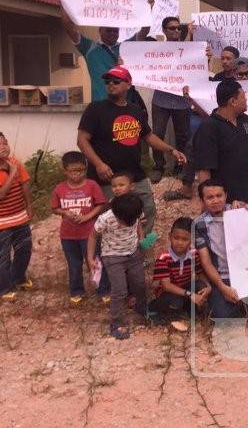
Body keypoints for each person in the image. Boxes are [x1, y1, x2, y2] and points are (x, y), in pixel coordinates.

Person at [77, 66, 187, 234]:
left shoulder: (136, 110)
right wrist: (99, 164)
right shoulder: (96, 109)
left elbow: (149, 137)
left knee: (148, 209)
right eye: (108, 81)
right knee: (107, 218)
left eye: (116, 81)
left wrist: (171, 150)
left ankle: (141, 251)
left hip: (134, 174)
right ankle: (106, 256)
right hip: (106, 177)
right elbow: (82, 140)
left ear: (128, 84)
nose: (111, 84)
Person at [59, 1, 148, 102]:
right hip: (100, 105)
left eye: (115, 31)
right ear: (100, 30)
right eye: (108, 30)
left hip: (124, 105)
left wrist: (149, 6)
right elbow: (69, 28)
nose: (112, 33)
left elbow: (144, 32)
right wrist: (63, 2)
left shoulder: (125, 47)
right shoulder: (88, 47)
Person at [87, 193, 147, 340]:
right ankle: (116, 322)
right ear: (116, 214)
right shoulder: (105, 219)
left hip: (133, 253)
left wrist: (141, 236)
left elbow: (138, 223)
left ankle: (142, 308)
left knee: (140, 283)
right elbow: (93, 236)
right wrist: (90, 259)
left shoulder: (135, 212)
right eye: (124, 221)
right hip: (112, 256)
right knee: (120, 290)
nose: (127, 224)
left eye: (130, 221)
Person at [193, 80, 248, 204]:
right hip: (226, 203)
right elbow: (204, 170)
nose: (246, 100)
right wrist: (207, 204)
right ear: (233, 102)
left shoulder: (246, 120)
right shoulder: (209, 128)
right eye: (243, 97)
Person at [50, 151, 106, 303]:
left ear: (85, 169)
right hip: (68, 235)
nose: (76, 174)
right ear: (65, 171)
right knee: (74, 264)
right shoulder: (59, 189)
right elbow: (54, 208)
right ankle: (76, 291)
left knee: (95, 262)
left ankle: (103, 289)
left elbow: (100, 204)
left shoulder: (92, 185)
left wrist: (88, 216)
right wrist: (64, 213)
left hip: (89, 234)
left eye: (80, 170)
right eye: (72, 171)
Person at [150, 16, 192, 184]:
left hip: (182, 100)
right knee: (157, 134)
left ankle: (180, 167)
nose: (176, 31)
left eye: (178, 28)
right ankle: (158, 167)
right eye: (172, 28)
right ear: (164, 31)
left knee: (183, 136)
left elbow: (195, 63)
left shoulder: (189, 49)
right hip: (161, 99)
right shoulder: (157, 49)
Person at [194, 179, 242, 319]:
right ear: (202, 200)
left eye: (219, 196)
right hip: (221, 278)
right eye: (210, 197)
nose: (215, 200)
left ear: (226, 195)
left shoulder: (238, 211)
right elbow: (206, 262)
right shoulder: (198, 225)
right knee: (223, 317)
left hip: (247, 274)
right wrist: (222, 287)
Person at [150, 217, 211, 320]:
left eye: (185, 239)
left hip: (185, 290)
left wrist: (208, 287)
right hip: (168, 293)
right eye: (176, 238)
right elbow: (166, 286)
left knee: (201, 286)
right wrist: (190, 294)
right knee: (175, 303)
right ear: (170, 236)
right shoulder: (164, 258)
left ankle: (190, 310)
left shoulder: (193, 254)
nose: (179, 242)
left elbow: (200, 273)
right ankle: (156, 310)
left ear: (191, 240)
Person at [0, 133, 33, 301]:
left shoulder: (15, 163)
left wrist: (29, 206)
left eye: (5, 143)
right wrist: (11, 173)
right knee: (3, 257)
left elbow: (25, 184)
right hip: (2, 223)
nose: (4, 147)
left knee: (24, 250)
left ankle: (18, 278)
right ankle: (4, 289)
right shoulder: (12, 168)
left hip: (20, 216)